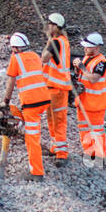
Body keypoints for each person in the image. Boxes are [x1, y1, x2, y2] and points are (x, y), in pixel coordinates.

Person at [2, 32, 50, 178]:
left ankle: (36, 172)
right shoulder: (35, 55)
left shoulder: (16, 59)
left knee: (32, 136)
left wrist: (6, 101)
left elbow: (11, 82)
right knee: (32, 129)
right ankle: (23, 127)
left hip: (31, 102)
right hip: (44, 99)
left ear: (16, 48)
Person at [73, 33, 106, 159]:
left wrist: (81, 67)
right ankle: (89, 152)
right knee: (84, 129)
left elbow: (93, 79)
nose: (85, 49)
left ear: (97, 48)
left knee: (97, 130)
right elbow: (81, 77)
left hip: (95, 104)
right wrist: (77, 69)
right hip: (84, 102)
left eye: (88, 47)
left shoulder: (101, 62)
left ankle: (100, 156)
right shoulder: (87, 58)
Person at [41, 12, 72, 162]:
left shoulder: (56, 42)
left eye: (49, 24)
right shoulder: (63, 41)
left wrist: (48, 42)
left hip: (57, 87)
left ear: (55, 26)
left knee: (58, 120)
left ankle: (62, 153)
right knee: (52, 118)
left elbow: (44, 58)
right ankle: (55, 147)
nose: (47, 27)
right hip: (54, 87)